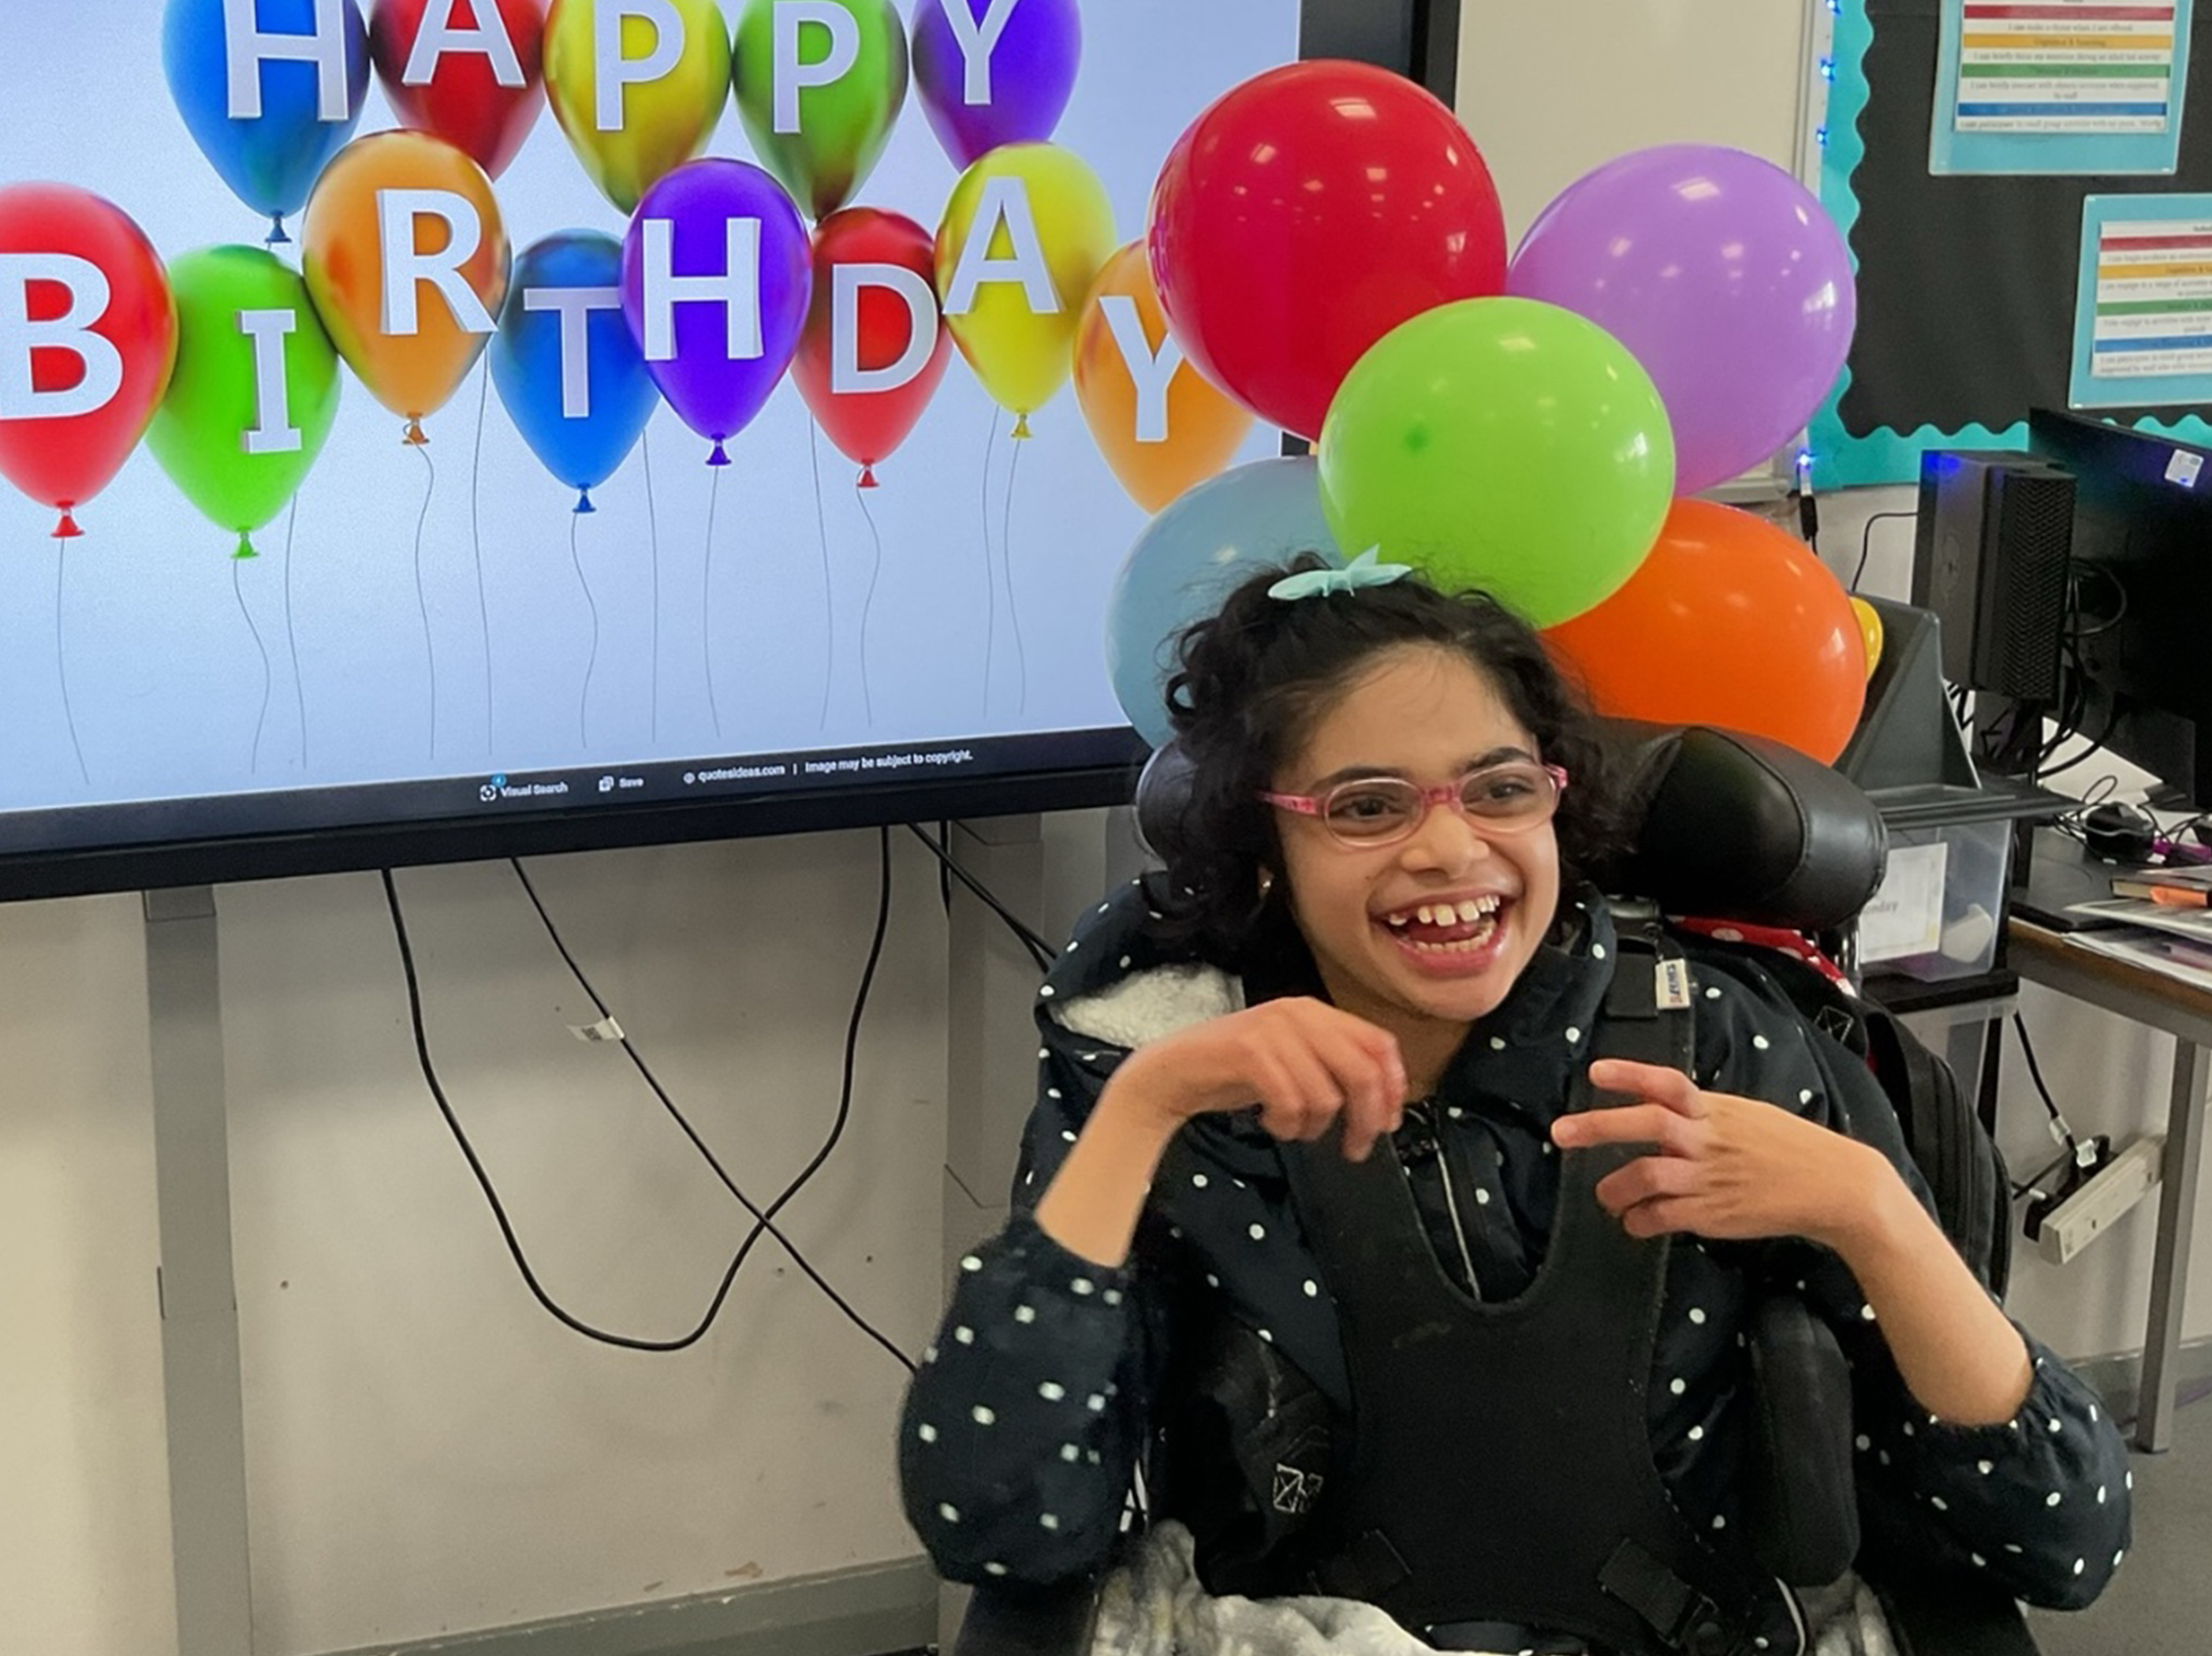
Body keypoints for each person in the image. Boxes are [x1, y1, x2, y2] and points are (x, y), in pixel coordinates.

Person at [899, 554, 2130, 1655]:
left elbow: (2066, 1544)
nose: (1450, 851)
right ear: (1265, 850)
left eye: (1499, 789)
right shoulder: (1178, 1079)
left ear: (1557, 800)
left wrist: (1870, 1207)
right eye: (1366, 807)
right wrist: (1143, 1109)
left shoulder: (1722, 1046)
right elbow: (995, 1519)